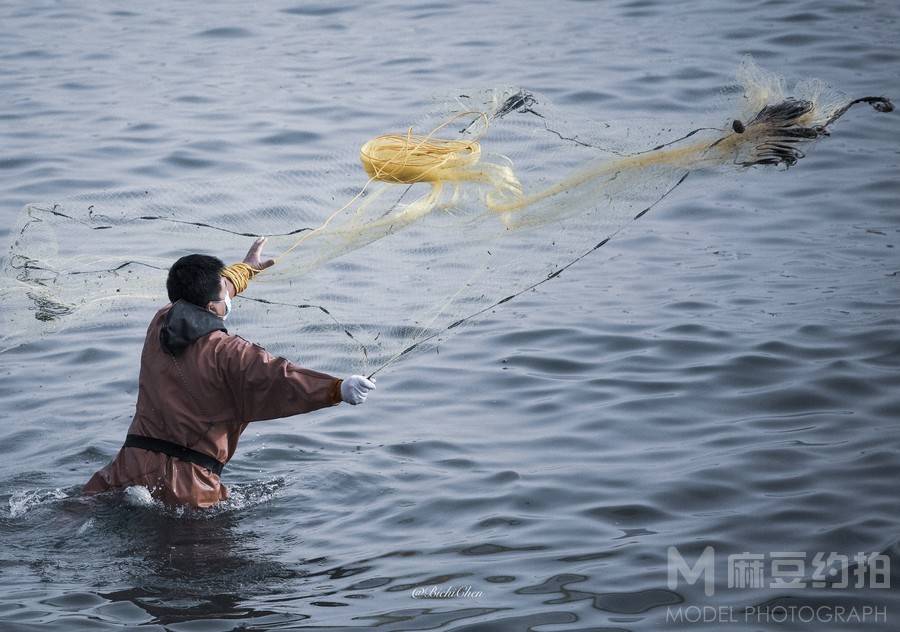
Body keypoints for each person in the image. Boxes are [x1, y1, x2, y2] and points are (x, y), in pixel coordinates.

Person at [83, 237, 376, 508]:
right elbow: (281, 378)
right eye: (225, 293)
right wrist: (338, 388)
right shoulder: (232, 353)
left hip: (129, 467)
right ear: (213, 306)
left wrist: (245, 271)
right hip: (187, 486)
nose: (228, 296)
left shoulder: (159, 323)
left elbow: (207, 294)